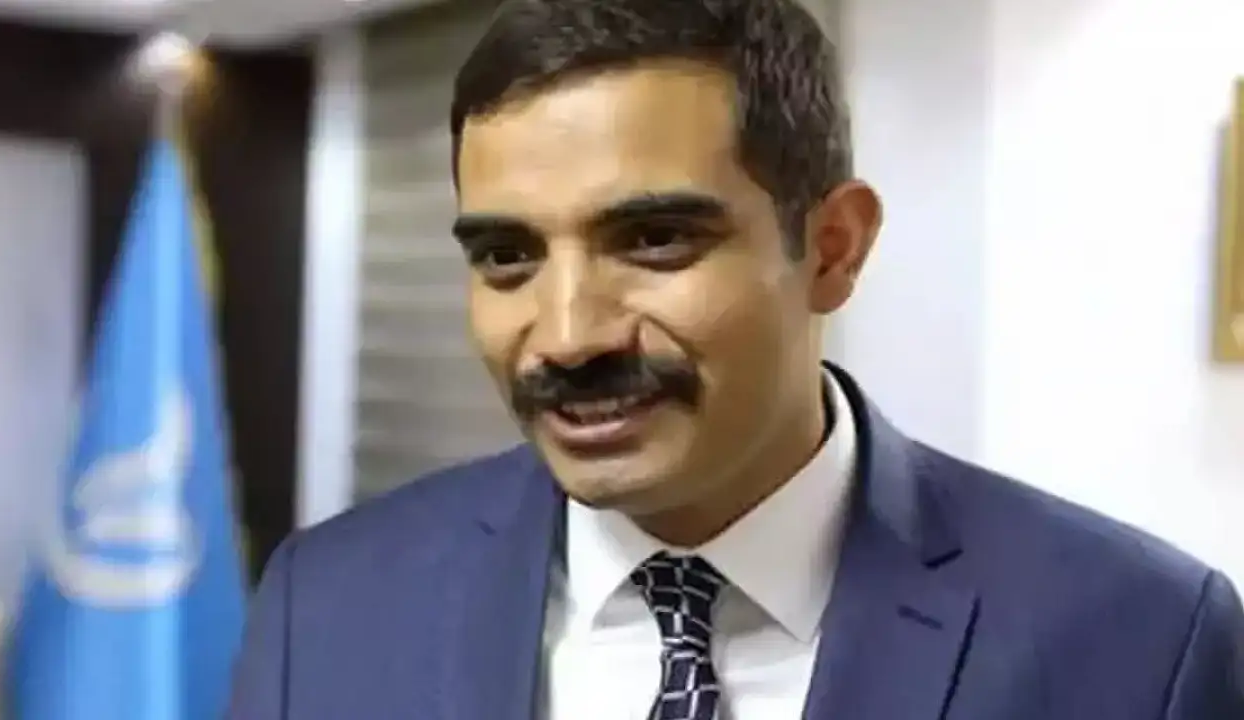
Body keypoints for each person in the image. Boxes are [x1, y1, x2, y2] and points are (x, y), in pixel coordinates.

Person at [227, 0, 1244, 717]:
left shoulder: (1141, 644)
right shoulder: (330, 604)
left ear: (832, 249)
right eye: (507, 256)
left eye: (654, 240)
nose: (569, 334)